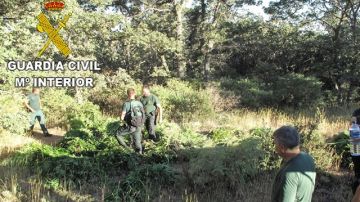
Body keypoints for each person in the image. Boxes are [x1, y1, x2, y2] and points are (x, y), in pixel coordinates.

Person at [271, 126, 316, 202]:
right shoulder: (308, 158)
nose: (275, 148)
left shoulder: (290, 173)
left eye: (275, 145)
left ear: (282, 148)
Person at [116, 88, 144, 154]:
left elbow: (123, 115)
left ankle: (127, 149)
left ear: (128, 94)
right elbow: (143, 114)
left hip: (130, 125)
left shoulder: (126, 104)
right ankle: (140, 155)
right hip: (139, 124)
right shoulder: (139, 103)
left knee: (118, 134)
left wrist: (121, 123)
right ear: (134, 94)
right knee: (137, 142)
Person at [351, 108, 360, 194]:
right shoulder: (356, 112)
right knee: (357, 170)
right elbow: (353, 125)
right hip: (355, 143)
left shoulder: (356, 111)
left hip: (355, 142)